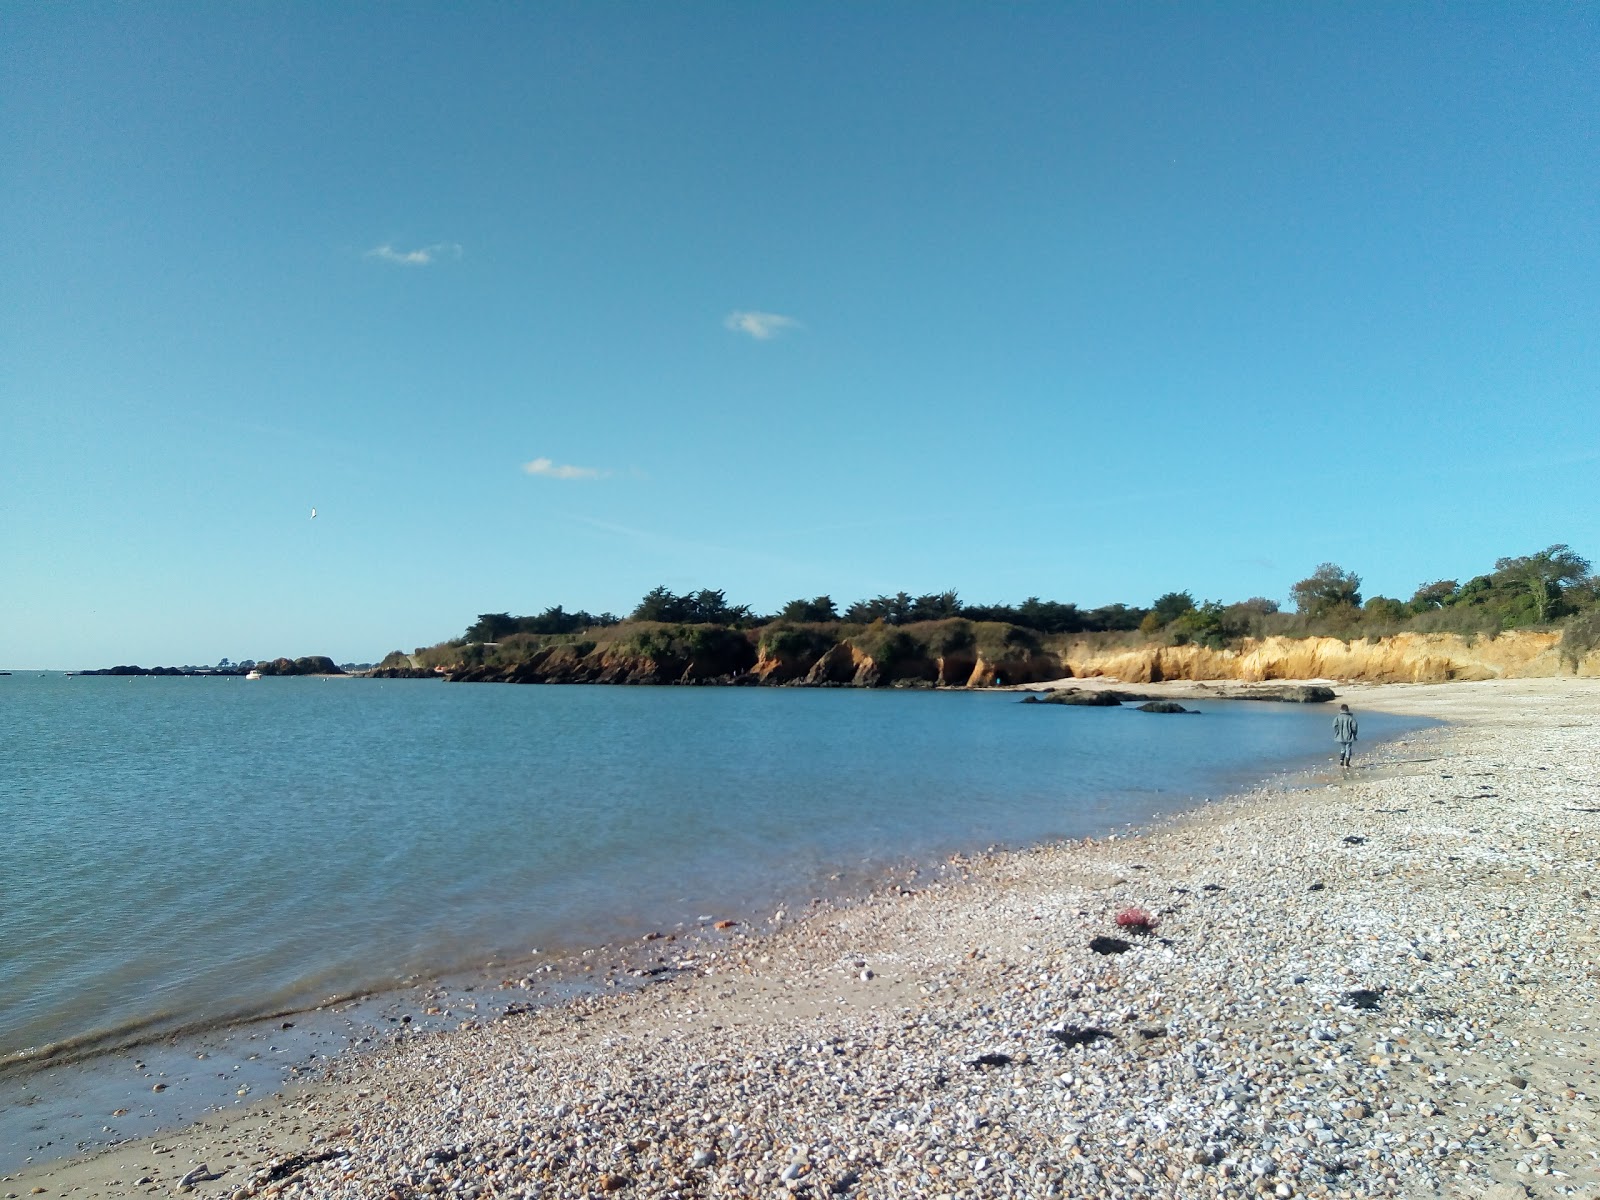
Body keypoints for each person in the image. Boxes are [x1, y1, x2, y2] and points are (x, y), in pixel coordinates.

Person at [1333, 703, 1358, 768]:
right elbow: (1354, 727)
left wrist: (1337, 732)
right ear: (1348, 710)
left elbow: (1334, 726)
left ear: (1341, 709)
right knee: (1348, 749)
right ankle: (1347, 763)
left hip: (1340, 736)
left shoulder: (1337, 717)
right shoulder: (1351, 718)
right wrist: (1354, 734)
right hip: (1349, 736)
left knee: (1342, 748)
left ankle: (1341, 760)